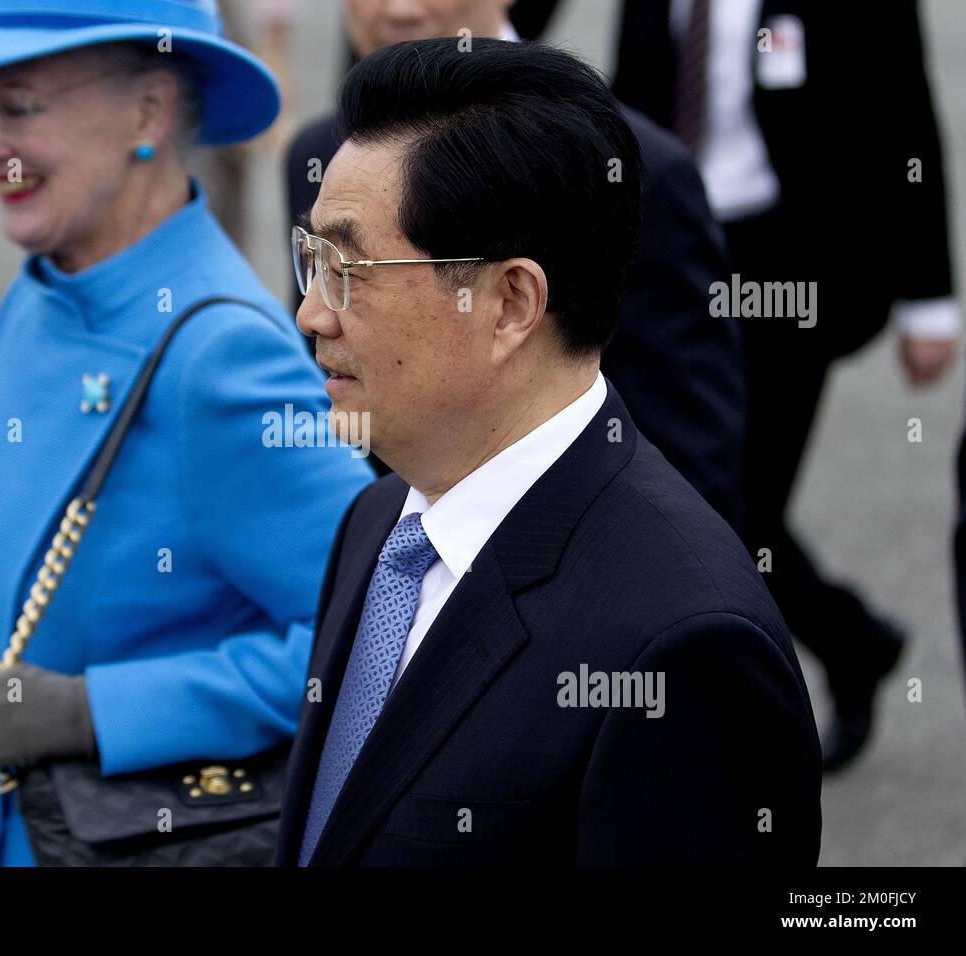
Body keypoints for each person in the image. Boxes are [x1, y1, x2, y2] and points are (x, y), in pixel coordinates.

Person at [276, 38, 821, 866]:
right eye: (310, 258)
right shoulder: (382, 518)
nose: (312, 312)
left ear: (510, 303)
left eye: (349, 268)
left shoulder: (682, 645)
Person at [0, 0, 373, 866]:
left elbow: (370, 637)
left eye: (18, 104)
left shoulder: (221, 353)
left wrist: (98, 711)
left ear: (147, 112)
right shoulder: (39, 294)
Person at [614, 0, 959, 770]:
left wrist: (929, 301)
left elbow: (907, 114)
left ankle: (802, 672)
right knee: (670, 488)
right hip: (669, 249)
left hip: (793, 262)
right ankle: (852, 642)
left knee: (736, 505)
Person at [285, 0, 745, 527]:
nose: (399, 7)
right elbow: (318, 383)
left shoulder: (635, 171)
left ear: (516, 298)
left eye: (354, 264)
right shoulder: (319, 152)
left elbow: (691, 463)